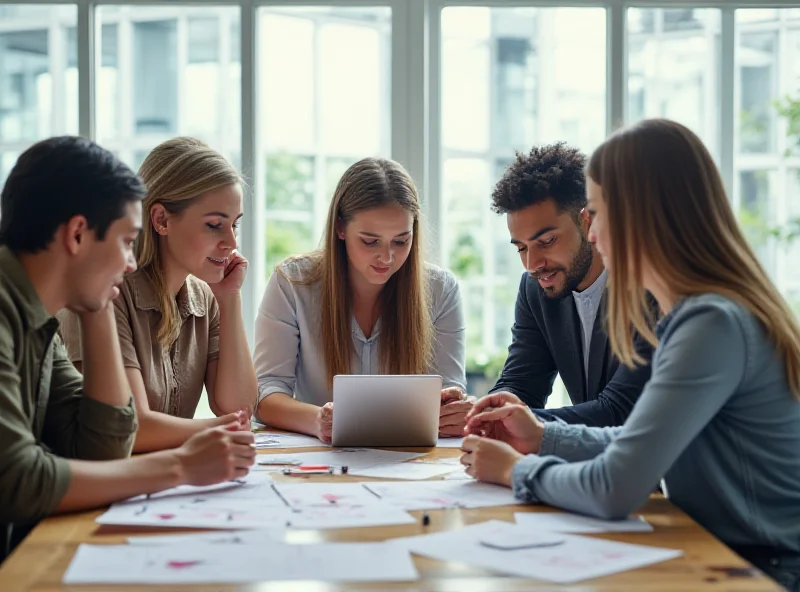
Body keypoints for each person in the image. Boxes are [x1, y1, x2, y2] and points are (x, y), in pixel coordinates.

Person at [461, 119, 800, 591]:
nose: (593, 233)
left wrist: (516, 470)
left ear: (643, 215)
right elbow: (639, 441)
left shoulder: (711, 324)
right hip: (712, 553)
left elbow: (616, 486)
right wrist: (540, 436)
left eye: (596, 213)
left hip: (760, 571)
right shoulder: (697, 313)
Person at [0, 137, 255, 562]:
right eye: (124, 242)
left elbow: (103, 446)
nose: (132, 261)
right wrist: (181, 468)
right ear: (78, 234)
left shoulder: (39, 320)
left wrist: (97, 307)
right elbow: (17, 479)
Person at [59, 138, 257, 452]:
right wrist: (220, 428)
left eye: (234, 225)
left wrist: (229, 298)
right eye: (215, 225)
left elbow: (238, 405)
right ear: (161, 220)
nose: (231, 242)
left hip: (161, 485)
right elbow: (131, 428)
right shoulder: (105, 292)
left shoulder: (205, 299)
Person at [253, 157, 470, 443]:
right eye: (370, 241)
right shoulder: (292, 284)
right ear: (340, 228)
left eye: (401, 241)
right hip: (321, 457)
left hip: (408, 462)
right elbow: (265, 394)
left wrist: (454, 412)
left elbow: (449, 389)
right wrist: (318, 422)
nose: (387, 257)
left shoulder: (441, 290)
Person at [487, 143, 653, 427]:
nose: (533, 264)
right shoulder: (534, 290)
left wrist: (517, 422)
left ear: (586, 220)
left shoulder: (648, 287)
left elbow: (621, 410)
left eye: (547, 241)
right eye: (521, 248)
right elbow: (522, 385)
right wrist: (486, 411)